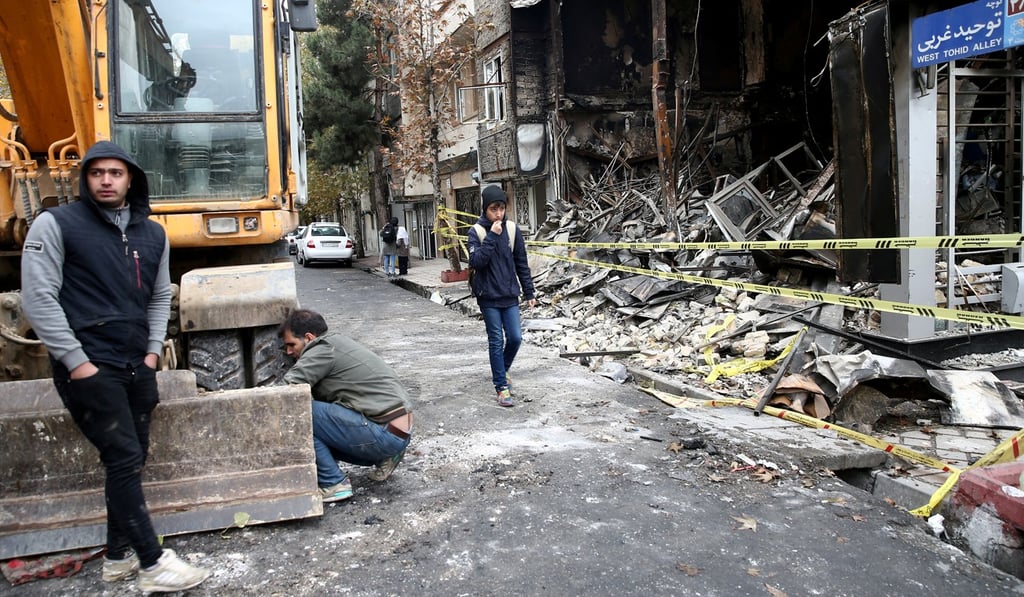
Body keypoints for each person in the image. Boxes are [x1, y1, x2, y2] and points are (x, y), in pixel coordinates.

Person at [20, 141, 211, 592]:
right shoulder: (56, 224)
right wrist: (77, 363)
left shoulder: (153, 234)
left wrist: (151, 354)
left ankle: (117, 557)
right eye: (96, 173)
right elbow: (39, 298)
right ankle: (152, 563)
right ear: (84, 178)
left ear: (131, 180)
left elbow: (160, 295)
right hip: (90, 365)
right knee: (123, 457)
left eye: (116, 173)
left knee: (130, 460)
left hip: (136, 364)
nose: (106, 180)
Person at [279, 309, 412, 502]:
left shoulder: (321, 350)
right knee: (321, 420)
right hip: (399, 431)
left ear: (308, 338)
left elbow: (286, 391)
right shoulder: (338, 343)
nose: (289, 352)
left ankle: (333, 483)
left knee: (300, 413)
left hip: (385, 433)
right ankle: (384, 457)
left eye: (291, 345)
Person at [467, 185, 536, 407]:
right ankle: (501, 387)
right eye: (493, 209)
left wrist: (529, 291)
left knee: (515, 338)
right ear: (485, 209)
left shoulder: (513, 230)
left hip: (509, 294)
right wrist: (492, 237)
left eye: (502, 208)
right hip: (488, 297)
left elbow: (521, 263)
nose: (498, 214)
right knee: (496, 340)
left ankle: (502, 370)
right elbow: (477, 261)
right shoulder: (476, 232)